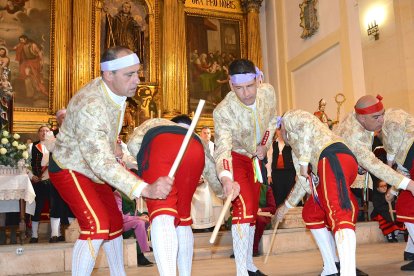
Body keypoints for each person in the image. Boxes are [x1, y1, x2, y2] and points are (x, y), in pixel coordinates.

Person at [48, 46, 173, 275]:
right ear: (109, 74)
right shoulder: (91, 104)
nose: (137, 80)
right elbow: (100, 162)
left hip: (93, 169)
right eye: (129, 75)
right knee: (96, 226)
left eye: (137, 73)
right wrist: (145, 188)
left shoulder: (115, 92)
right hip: (70, 167)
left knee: (115, 224)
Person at [127, 114, 236, 276]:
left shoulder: (156, 124)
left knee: (162, 212)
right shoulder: (197, 137)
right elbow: (210, 169)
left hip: (161, 145)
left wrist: (145, 169)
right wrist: (224, 190)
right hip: (194, 150)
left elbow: (133, 144)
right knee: (183, 218)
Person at [334, 95, 414, 274]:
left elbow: (371, 162)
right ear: (362, 118)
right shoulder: (354, 134)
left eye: (382, 114)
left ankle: (336, 265)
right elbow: (376, 165)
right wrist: (406, 186)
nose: (382, 120)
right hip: (332, 174)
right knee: (343, 216)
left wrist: (359, 165)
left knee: (406, 208)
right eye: (376, 117)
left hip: (343, 172)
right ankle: (338, 266)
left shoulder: (363, 122)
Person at [275, 109, 359, 276]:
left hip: (334, 157)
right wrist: (284, 207)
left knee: (339, 214)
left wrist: (305, 163)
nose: (279, 135)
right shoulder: (295, 149)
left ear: (280, 127)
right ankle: (330, 268)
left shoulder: (290, 116)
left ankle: (348, 273)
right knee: (311, 212)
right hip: (329, 166)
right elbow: (302, 180)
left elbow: (306, 125)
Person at [213, 58, 278, 276]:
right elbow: (222, 148)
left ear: (258, 80)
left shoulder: (268, 92)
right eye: (239, 88)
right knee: (243, 207)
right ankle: (241, 272)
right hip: (236, 157)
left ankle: (249, 265)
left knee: (252, 211)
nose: (246, 93)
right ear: (231, 85)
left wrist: (264, 144)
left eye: (250, 86)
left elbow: (271, 121)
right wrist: (226, 178)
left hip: (255, 158)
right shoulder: (223, 111)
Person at [380, 108, 414, 270]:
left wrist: (388, 166)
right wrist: (392, 191)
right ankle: (411, 250)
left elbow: (395, 156)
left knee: (407, 207)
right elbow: (404, 172)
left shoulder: (391, 119)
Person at [29, 125, 62, 243]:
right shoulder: (32, 146)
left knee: (55, 206)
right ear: (38, 133)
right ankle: (34, 235)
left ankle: (55, 234)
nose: (44, 133)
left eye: (47, 131)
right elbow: (26, 164)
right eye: (42, 131)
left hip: (53, 181)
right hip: (38, 181)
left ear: (51, 133)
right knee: (37, 208)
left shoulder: (56, 147)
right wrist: (32, 176)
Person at [191, 126, 222, 231]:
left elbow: (217, 163)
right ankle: (199, 225)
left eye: (208, 133)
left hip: (212, 178)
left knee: (214, 203)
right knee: (201, 202)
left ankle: (215, 224)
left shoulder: (214, 147)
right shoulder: (196, 145)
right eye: (204, 133)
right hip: (199, 178)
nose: (206, 135)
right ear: (200, 134)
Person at [113, 190, 153, 267]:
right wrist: (138, 217)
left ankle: (146, 246)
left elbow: (133, 212)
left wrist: (143, 215)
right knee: (139, 223)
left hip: (129, 222)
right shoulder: (117, 194)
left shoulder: (130, 195)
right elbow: (119, 217)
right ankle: (140, 255)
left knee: (147, 220)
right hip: (119, 226)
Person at [265, 128, 296, 206]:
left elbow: (296, 160)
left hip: (290, 174)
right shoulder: (273, 144)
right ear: (276, 131)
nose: (281, 132)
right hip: (276, 174)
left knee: (290, 196)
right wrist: (269, 175)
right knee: (278, 196)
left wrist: (297, 175)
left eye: (283, 130)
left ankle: (291, 216)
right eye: (279, 130)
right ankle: (279, 216)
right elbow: (269, 160)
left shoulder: (292, 143)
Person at [253, 184, 276, 256]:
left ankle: (254, 249)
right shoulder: (244, 187)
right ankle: (238, 249)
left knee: (258, 220)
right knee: (233, 220)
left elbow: (273, 208)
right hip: (248, 214)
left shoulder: (266, 189)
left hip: (263, 216)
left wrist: (261, 209)